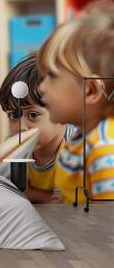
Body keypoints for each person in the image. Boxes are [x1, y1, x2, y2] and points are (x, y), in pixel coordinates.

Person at [38, 14, 114, 204]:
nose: (41, 87)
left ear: (91, 90)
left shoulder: (104, 152)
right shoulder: (80, 139)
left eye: (52, 77)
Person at [0, 54, 76, 203]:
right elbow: (9, 191)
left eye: (33, 115)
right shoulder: (14, 146)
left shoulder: (77, 149)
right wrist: (44, 197)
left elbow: (68, 203)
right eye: (13, 116)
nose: (21, 128)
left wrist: (29, 193)